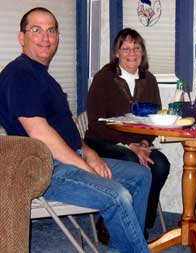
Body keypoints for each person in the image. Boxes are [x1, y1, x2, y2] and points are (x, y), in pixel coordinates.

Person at [0, 7, 152, 253]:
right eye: (36, 30)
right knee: (118, 196)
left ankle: (122, 246)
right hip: (46, 169)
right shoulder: (20, 75)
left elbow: (67, 131)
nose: (45, 38)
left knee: (141, 175)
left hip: (71, 159)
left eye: (51, 31)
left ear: (58, 38)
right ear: (22, 37)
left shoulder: (44, 78)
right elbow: (41, 135)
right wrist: (86, 167)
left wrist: (89, 153)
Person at [84, 28, 170, 240]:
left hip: (138, 144)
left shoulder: (149, 79)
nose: (132, 53)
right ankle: (109, 221)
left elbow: (154, 118)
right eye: (126, 48)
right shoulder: (103, 78)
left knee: (160, 164)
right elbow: (96, 122)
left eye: (137, 48)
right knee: (131, 160)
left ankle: (140, 221)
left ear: (143, 52)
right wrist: (129, 146)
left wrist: (142, 142)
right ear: (116, 53)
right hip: (103, 142)